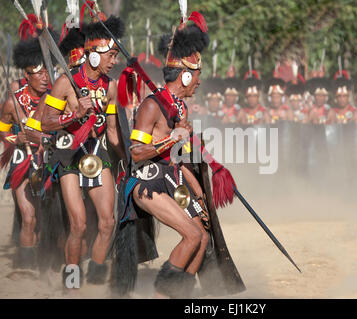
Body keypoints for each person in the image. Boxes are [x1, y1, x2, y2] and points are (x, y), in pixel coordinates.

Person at [124, 11, 210, 299]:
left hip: (172, 180)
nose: (199, 81)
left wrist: (199, 193)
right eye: (197, 75)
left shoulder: (180, 108)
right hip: (148, 183)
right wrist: (171, 138)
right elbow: (136, 153)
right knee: (192, 235)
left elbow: (177, 159)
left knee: (203, 237)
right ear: (185, 75)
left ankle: (179, 296)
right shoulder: (151, 106)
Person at [40, 15, 125, 286]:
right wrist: (73, 116)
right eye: (111, 55)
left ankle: (96, 279)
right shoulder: (66, 83)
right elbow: (46, 122)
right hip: (69, 154)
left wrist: (129, 160)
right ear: (95, 55)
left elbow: (112, 133)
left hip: (97, 153)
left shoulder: (110, 86)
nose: (115, 61)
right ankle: (72, 283)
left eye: (115, 55)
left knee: (107, 223)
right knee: (78, 224)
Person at [0, 36, 50, 269]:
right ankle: (27, 268)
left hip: (48, 163)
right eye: (38, 74)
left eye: (46, 73)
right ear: (27, 76)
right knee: (29, 218)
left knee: (45, 218)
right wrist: (15, 138)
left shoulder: (55, 99)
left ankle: (45, 261)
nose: (44, 78)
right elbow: (2, 132)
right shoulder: (13, 103)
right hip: (22, 163)